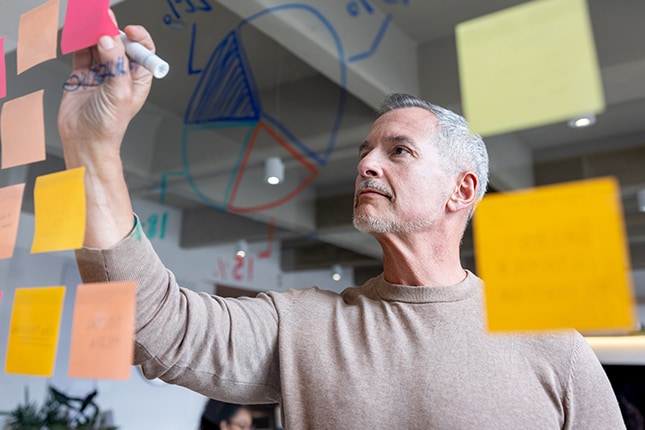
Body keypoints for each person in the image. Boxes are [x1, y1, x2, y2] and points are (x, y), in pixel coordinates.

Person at [58, 20, 626, 429]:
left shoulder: (556, 350)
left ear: (463, 189)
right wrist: (94, 149)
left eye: (398, 150)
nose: (366, 163)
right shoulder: (303, 327)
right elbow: (157, 326)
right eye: (366, 150)